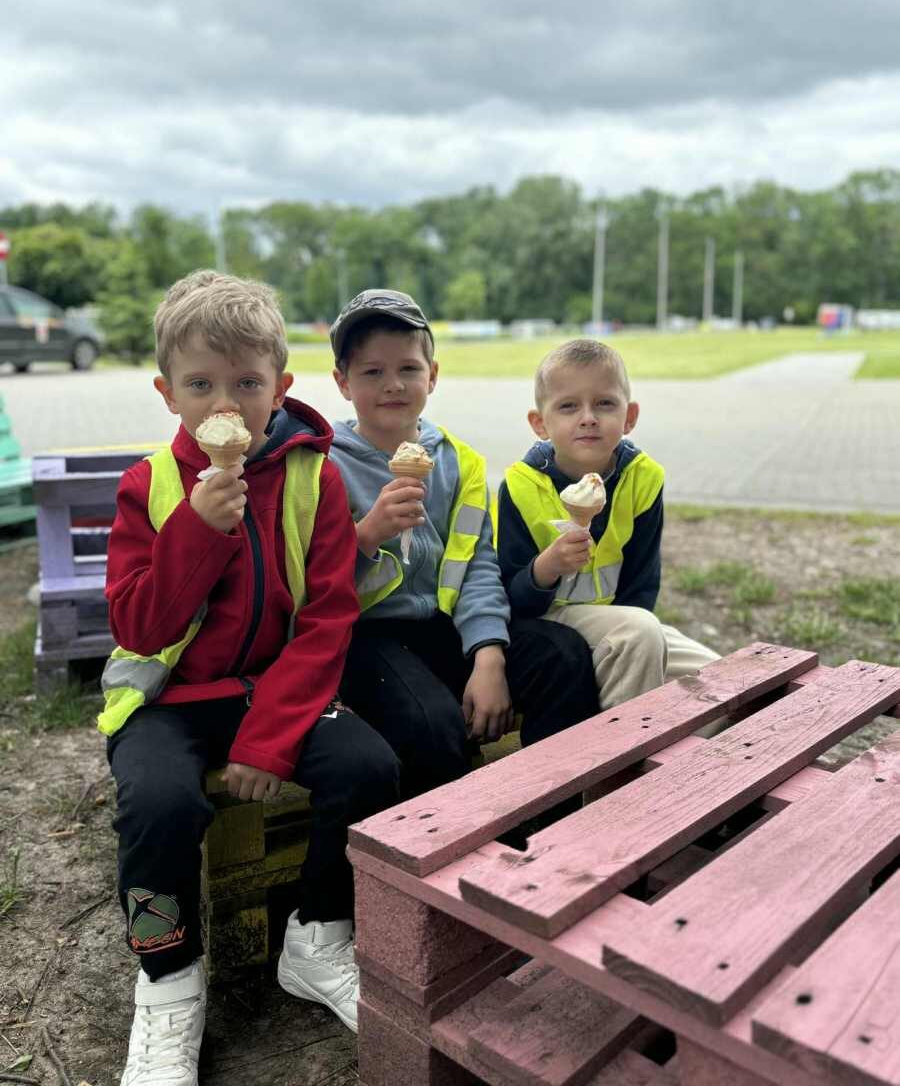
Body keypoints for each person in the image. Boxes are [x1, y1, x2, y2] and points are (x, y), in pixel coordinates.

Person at [101, 271, 400, 1084]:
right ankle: (167, 977)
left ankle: (317, 934)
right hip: (167, 700)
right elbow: (137, 627)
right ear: (167, 393)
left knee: (369, 767)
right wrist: (195, 531)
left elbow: (327, 617)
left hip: (273, 690)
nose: (223, 403)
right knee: (160, 804)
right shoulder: (148, 486)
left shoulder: (315, 479)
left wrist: (269, 740)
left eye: (246, 383)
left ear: (281, 387)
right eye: (200, 385)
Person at [327, 290, 598, 803]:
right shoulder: (324, 465)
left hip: (444, 626)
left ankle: (548, 820)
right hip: (363, 638)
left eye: (408, 369)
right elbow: (309, 582)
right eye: (372, 372)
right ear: (343, 382)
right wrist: (366, 535)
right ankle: (441, 839)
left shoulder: (460, 462)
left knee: (562, 656)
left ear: (432, 376)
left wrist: (488, 654)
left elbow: (476, 564)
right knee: (432, 724)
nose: (393, 384)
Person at [496, 337, 719, 711]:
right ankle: (621, 747)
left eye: (604, 403)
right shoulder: (520, 487)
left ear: (629, 416)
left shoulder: (643, 479)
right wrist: (546, 567)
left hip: (622, 623)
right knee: (638, 634)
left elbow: (641, 584)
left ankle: (695, 747)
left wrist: (627, 649)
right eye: (568, 406)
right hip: (549, 621)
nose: (588, 417)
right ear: (540, 423)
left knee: (724, 676)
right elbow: (510, 597)